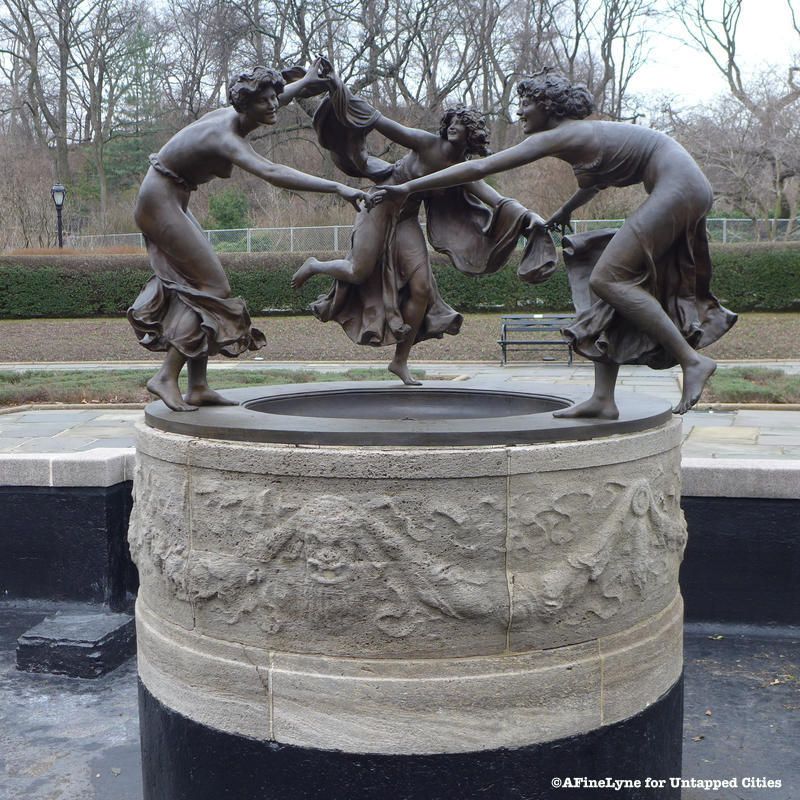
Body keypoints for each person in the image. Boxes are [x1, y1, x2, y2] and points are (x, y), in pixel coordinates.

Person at [374, 68, 737, 415]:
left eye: (526, 103)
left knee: (607, 279)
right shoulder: (581, 139)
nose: (519, 112)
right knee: (597, 276)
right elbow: (592, 184)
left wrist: (407, 186)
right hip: (681, 187)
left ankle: (693, 361)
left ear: (547, 105)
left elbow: (481, 168)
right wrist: (564, 212)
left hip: (678, 187)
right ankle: (603, 399)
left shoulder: (562, 135)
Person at [129, 60, 370, 411]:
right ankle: (166, 376)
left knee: (203, 288)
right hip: (159, 202)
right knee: (214, 289)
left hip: (172, 198)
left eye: (275, 97)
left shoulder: (240, 113)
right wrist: (338, 188)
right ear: (246, 105)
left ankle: (197, 386)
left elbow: (275, 98)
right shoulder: (225, 136)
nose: (273, 105)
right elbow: (271, 171)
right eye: (265, 101)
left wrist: (306, 83)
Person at [291, 70, 550, 386]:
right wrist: (338, 88)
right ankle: (316, 266)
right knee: (358, 271)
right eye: (451, 121)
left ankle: (400, 361)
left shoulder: (465, 170)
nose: (453, 125)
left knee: (423, 290)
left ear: (472, 135)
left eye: (461, 123)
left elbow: (498, 201)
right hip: (379, 207)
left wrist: (530, 219)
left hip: (407, 220)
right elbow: (381, 122)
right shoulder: (426, 143)